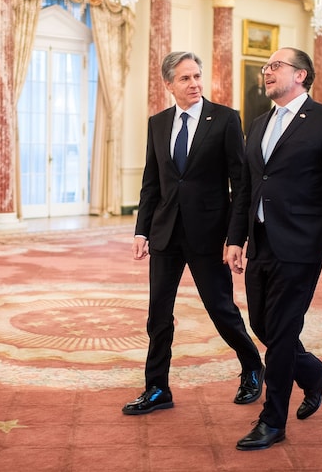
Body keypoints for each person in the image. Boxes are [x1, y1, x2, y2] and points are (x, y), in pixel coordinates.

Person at [226, 47, 322, 450]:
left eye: (276, 66)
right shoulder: (260, 122)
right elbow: (247, 187)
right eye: (265, 66)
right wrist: (235, 238)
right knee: (263, 326)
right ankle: (314, 373)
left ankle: (273, 420)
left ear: (300, 75)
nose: (267, 72)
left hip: (301, 245)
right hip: (261, 242)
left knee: (281, 333)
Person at [122, 51, 264, 415]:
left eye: (197, 76)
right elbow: (151, 183)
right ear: (168, 84)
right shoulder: (158, 123)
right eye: (185, 78)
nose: (195, 84)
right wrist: (142, 231)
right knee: (158, 315)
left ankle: (252, 367)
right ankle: (157, 388)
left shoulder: (226, 120)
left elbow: (240, 184)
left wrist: (236, 238)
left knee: (221, 309)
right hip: (166, 233)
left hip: (209, 235)